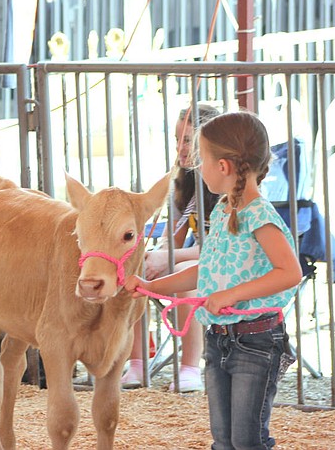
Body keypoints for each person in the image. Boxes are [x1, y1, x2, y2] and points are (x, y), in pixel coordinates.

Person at [125, 111, 301, 450]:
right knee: (223, 440)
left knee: (247, 440)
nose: (196, 167)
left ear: (223, 166)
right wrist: (151, 287)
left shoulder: (259, 215)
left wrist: (231, 294)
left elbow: (289, 272)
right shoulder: (223, 210)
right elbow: (208, 269)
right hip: (219, 338)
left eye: (201, 159)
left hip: (257, 340)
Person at [121, 104, 220, 392]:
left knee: (182, 274)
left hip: (227, 265)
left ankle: (190, 367)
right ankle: (137, 362)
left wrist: (170, 257)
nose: (180, 148)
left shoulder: (223, 183)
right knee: (135, 270)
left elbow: (221, 249)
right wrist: (158, 254)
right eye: (177, 140)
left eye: (188, 140)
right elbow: (174, 239)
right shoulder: (183, 182)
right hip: (194, 257)